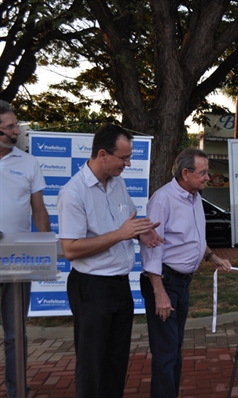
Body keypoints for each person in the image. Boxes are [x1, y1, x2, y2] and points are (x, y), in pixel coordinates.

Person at [57, 124, 163, 398]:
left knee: (116, 362)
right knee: (92, 365)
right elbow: (70, 249)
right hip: (91, 288)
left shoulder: (118, 184)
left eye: (129, 158)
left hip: (119, 286)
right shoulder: (73, 193)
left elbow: (127, 221)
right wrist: (120, 234)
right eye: (123, 158)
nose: (127, 164)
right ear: (102, 154)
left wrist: (143, 231)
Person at [140, 148, 231, 398]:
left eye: (207, 172)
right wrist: (159, 293)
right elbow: (151, 250)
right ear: (185, 173)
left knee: (175, 348)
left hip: (182, 284)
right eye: (202, 173)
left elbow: (195, 239)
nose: (207, 177)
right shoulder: (163, 200)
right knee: (165, 352)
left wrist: (212, 256)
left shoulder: (195, 198)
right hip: (164, 283)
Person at [0, 100, 50, 398]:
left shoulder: (28, 162)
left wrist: (45, 249)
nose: (17, 131)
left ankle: (18, 390)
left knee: (15, 332)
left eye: (16, 125)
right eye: (9, 128)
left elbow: (39, 210)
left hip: (17, 259)